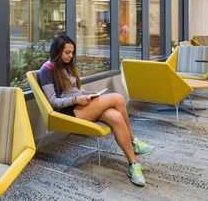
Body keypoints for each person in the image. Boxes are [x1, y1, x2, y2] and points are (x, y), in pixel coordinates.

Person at [39, 34, 155, 186]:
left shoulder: (66, 66)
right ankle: (133, 141)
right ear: (57, 51)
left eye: (72, 52)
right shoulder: (46, 70)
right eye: (67, 52)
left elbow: (75, 91)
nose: (70, 55)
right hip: (68, 112)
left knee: (115, 117)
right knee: (118, 99)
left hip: (79, 105)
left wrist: (89, 96)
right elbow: (53, 102)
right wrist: (75, 100)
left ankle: (133, 164)